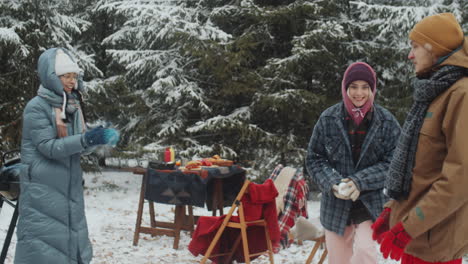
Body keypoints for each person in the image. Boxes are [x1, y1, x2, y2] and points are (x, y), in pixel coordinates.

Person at [372, 13, 468, 264]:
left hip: (435, 242)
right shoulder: (434, 92)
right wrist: (392, 211)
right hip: (419, 240)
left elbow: (460, 178)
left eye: (415, 47)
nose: (410, 55)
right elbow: (420, 168)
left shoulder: (461, 95)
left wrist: (410, 227)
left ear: (433, 48)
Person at [15, 47, 119, 264]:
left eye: (74, 76)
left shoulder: (71, 104)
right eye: (66, 76)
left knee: (69, 242)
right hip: (43, 187)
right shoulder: (36, 107)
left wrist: (96, 138)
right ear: (52, 77)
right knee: (44, 245)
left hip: (68, 185)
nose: (72, 81)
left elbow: (76, 146)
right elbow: (49, 147)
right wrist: (85, 139)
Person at [306, 62, 401, 264]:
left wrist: (359, 182)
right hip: (336, 205)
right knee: (338, 259)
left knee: (366, 252)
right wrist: (333, 183)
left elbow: (395, 163)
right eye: (354, 87)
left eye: (365, 87)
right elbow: (314, 158)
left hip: (370, 202)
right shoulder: (328, 119)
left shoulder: (387, 121)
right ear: (345, 88)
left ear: (372, 89)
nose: (359, 93)